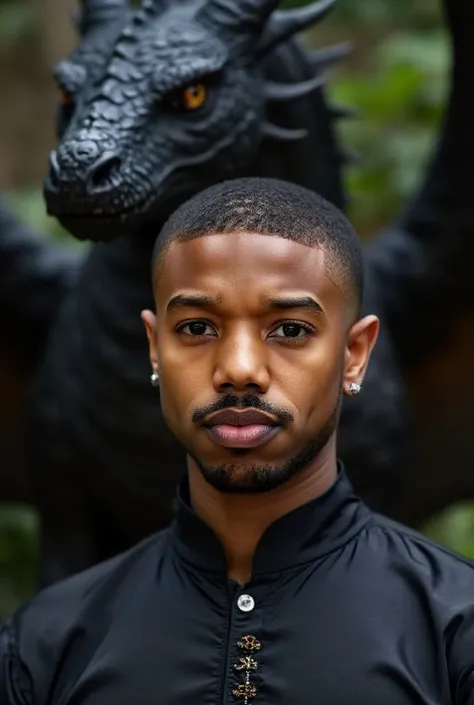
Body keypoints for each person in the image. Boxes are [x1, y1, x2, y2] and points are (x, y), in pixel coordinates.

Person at [2, 176, 474, 705]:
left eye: (290, 330)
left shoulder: (455, 627)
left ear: (355, 353)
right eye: (198, 328)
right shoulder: (47, 644)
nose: (239, 369)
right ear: (155, 349)